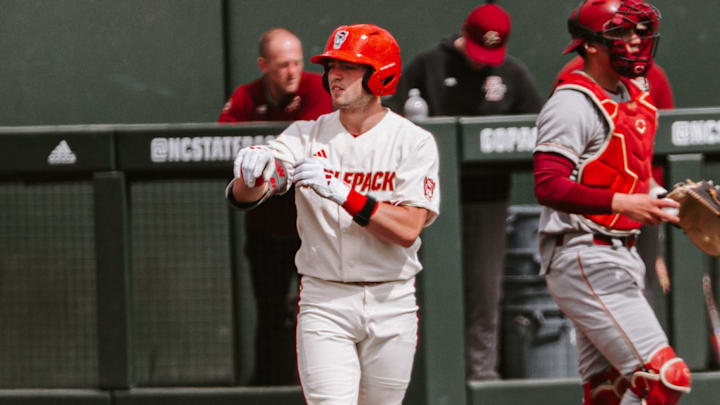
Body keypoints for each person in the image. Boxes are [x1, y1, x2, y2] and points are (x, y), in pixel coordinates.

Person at [226, 24, 440, 404]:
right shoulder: (305, 134)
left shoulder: (413, 141)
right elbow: (257, 188)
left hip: (391, 298)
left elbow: (408, 228)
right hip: (325, 300)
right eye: (330, 67)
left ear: (380, 75)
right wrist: (253, 172)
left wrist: (346, 194)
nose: (334, 75)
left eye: (349, 66)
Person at [533, 1, 692, 404]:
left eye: (639, 31)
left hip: (621, 255)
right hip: (583, 253)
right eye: (622, 33)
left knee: (609, 391)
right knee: (665, 379)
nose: (636, 41)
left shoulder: (633, 98)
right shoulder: (572, 101)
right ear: (590, 45)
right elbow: (548, 186)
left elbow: (629, 178)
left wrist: (667, 203)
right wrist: (624, 203)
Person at [386, 2, 542, 381]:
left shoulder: (511, 73)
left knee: (485, 294)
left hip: (488, 199)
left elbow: (536, 131)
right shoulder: (428, 65)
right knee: (427, 289)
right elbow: (391, 121)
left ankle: (481, 377)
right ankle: (425, 377)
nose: (481, 61)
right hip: (428, 199)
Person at [217, 27, 332, 386]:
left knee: (315, 313)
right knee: (270, 313)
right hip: (266, 229)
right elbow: (222, 138)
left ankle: (313, 386)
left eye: (297, 62)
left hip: (311, 230)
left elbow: (310, 139)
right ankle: (269, 386)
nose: (292, 71)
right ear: (264, 65)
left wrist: (271, 151)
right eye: (283, 65)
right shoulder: (247, 97)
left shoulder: (318, 89)